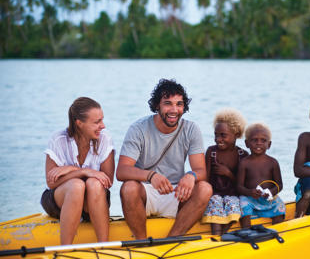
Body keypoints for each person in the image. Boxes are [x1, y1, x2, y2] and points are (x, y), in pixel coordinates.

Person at [117, 79, 212, 239]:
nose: (174, 110)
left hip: (176, 193)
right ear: (157, 105)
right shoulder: (138, 128)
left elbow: (201, 171)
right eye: (168, 103)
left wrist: (191, 176)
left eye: (179, 104)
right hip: (146, 192)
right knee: (129, 187)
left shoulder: (191, 129)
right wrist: (151, 176)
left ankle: (171, 241)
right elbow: (122, 171)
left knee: (204, 188)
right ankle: (141, 243)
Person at [41, 97, 115, 245]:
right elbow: (51, 183)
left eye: (102, 120)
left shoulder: (105, 138)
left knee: (94, 183)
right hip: (58, 201)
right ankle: (65, 249)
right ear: (79, 124)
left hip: (93, 201)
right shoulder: (58, 139)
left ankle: (104, 247)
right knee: (76, 185)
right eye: (96, 122)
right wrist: (81, 171)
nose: (103, 126)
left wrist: (74, 171)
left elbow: (108, 181)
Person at [201, 108, 249, 235]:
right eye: (216, 135)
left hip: (233, 194)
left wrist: (228, 173)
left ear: (236, 134)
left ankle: (224, 236)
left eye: (223, 135)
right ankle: (216, 237)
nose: (218, 139)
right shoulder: (212, 152)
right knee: (215, 203)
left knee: (234, 208)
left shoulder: (243, 155)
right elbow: (205, 178)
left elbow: (243, 183)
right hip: (214, 193)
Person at [236, 122, 286, 228]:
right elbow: (239, 186)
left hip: (268, 198)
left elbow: (279, 185)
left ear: (269, 144)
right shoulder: (244, 163)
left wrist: (271, 192)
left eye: (263, 140)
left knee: (280, 205)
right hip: (250, 198)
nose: (259, 143)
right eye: (254, 140)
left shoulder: (273, 162)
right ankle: (247, 231)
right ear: (247, 143)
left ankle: (277, 231)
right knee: (243, 205)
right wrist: (250, 192)